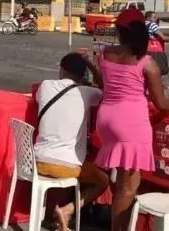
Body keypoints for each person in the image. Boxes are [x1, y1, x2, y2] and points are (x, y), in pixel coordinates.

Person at [94, 9, 169, 231]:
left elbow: (105, 83)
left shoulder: (105, 54)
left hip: (106, 118)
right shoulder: (147, 63)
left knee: (121, 182)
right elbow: (162, 104)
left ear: (119, 32)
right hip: (131, 123)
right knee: (127, 187)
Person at [35, 53, 108, 231]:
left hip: (36, 161)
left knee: (62, 172)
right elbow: (104, 89)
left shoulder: (45, 86)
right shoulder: (88, 93)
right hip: (67, 166)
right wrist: (91, 65)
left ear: (62, 70)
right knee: (103, 180)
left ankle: (53, 214)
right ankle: (68, 210)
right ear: (82, 75)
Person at [145, 11, 169, 75]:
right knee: (158, 69)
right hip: (155, 51)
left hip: (145, 50)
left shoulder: (142, 25)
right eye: (154, 17)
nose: (156, 19)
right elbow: (163, 38)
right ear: (148, 18)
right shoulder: (152, 25)